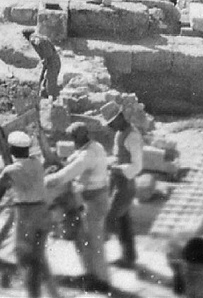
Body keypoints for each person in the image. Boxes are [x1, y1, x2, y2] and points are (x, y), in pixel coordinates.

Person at [49, 120, 115, 289]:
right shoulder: (94, 146)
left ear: (80, 137)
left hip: (94, 201)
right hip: (93, 199)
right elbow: (75, 159)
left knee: (94, 242)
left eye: (74, 138)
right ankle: (93, 275)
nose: (73, 141)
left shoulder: (88, 155)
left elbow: (69, 172)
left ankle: (101, 282)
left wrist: (48, 181)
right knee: (85, 239)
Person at [0, 130, 59, 298]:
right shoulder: (37, 163)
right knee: (38, 256)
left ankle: (33, 294)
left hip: (26, 214)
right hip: (43, 211)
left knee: (24, 257)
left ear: (12, 150)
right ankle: (52, 293)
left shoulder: (10, 170)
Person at [106, 108, 145, 270]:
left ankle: (99, 255)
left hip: (126, 184)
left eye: (111, 122)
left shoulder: (133, 137)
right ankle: (129, 256)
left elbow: (137, 166)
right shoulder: (119, 134)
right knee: (123, 221)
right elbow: (118, 156)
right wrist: (110, 163)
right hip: (117, 182)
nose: (110, 126)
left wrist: (118, 168)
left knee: (110, 219)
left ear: (120, 118)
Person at [25, 28, 62, 100]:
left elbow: (44, 49)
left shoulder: (33, 39)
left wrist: (45, 59)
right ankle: (43, 95)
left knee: (51, 78)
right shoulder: (38, 36)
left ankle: (51, 99)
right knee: (46, 79)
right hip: (51, 58)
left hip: (52, 59)